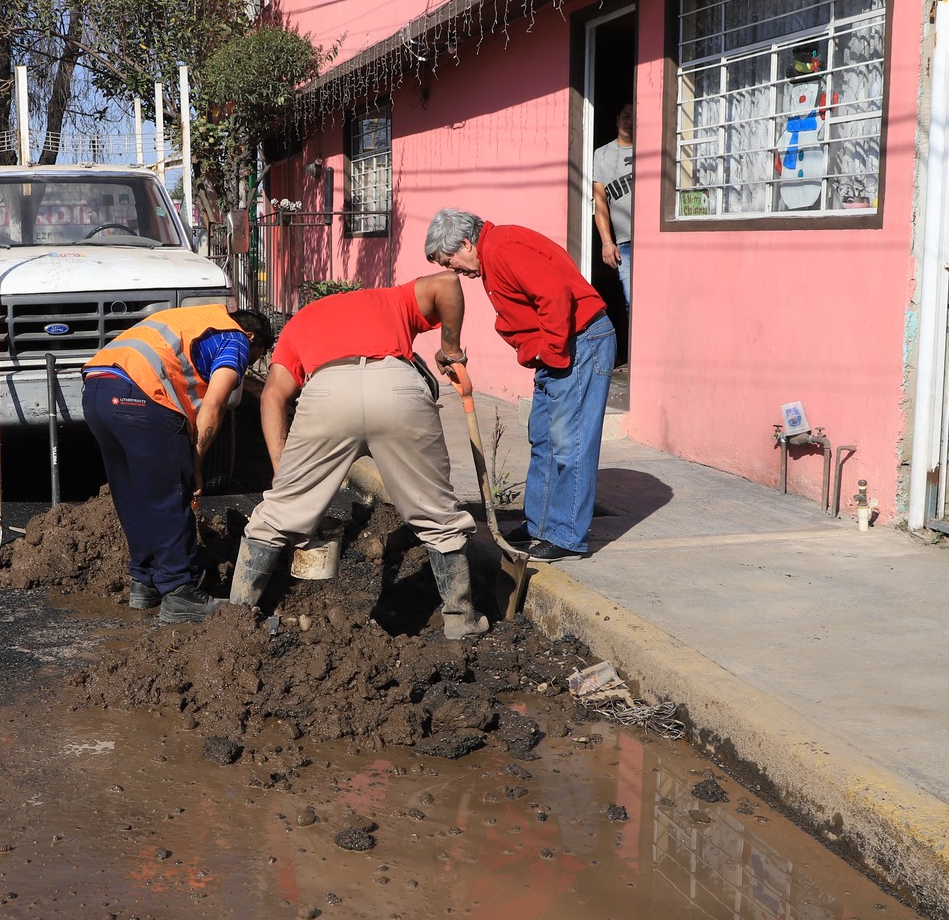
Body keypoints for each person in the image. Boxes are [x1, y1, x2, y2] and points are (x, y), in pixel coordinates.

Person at [229, 274, 488, 638]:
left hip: (328, 393)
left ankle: (236, 619)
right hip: (397, 388)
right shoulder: (391, 297)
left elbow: (273, 395)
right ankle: (461, 621)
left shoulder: (302, 321)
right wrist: (450, 349)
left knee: (275, 517)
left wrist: (283, 475)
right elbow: (448, 282)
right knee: (438, 515)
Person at [426, 208, 613, 562]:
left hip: (580, 342)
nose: (455, 272)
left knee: (568, 440)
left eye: (451, 262)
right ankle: (540, 526)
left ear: (466, 243)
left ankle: (566, 536)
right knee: (543, 436)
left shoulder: (503, 248)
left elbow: (554, 295)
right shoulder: (492, 254)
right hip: (559, 349)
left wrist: (554, 354)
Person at [83, 304, 274, 623]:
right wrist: (194, 465)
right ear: (252, 337)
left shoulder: (192, 321)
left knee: (132, 492)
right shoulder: (236, 339)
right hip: (139, 395)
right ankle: (181, 592)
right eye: (257, 355)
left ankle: (145, 582)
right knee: (169, 495)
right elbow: (214, 405)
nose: (248, 365)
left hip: (97, 390)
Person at [592, 104, 636, 309]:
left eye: (635, 116)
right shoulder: (602, 154)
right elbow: (600, 200)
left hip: (655, 239)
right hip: (625, 243)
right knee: (631, 303)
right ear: (617, 119)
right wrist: (607, 243)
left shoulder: (650, 149)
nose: (630, 120)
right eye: (626, 115)